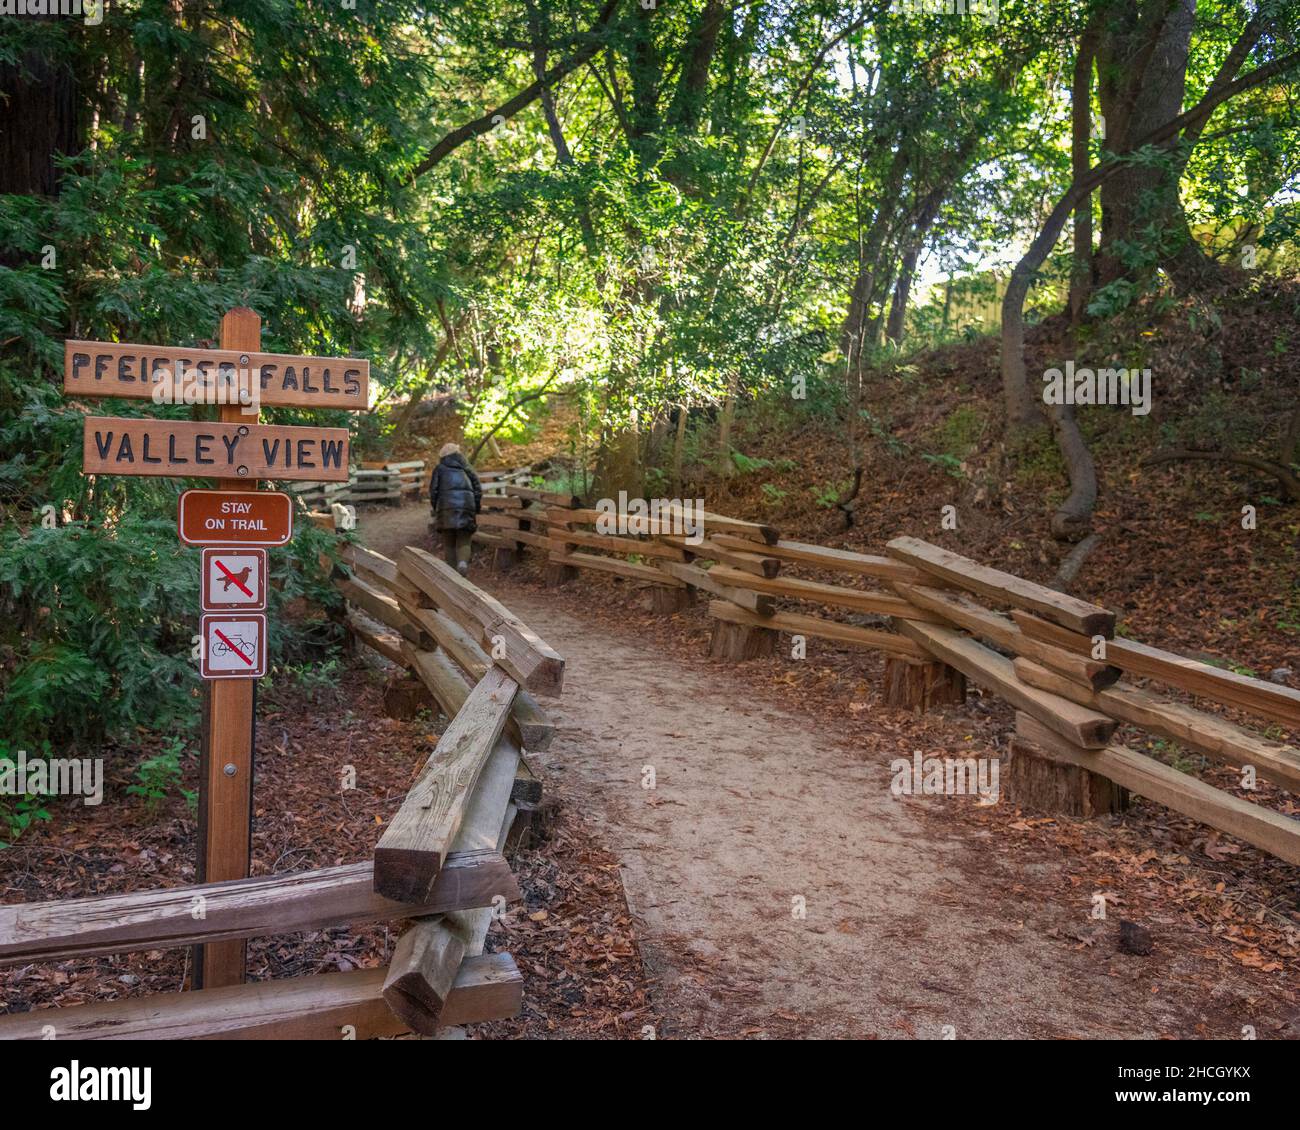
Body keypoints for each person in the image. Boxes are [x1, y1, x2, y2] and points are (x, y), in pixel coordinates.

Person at [428, 442, 482, 575]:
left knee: (449, 542)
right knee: (464, 539)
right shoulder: (467, 468)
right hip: (466, 508)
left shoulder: (439, 469)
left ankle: (452, 574)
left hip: (446, 511)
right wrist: (475, 508)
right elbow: (478, 489)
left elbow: (433, 491)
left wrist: (437, 508)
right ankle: (463, 563)